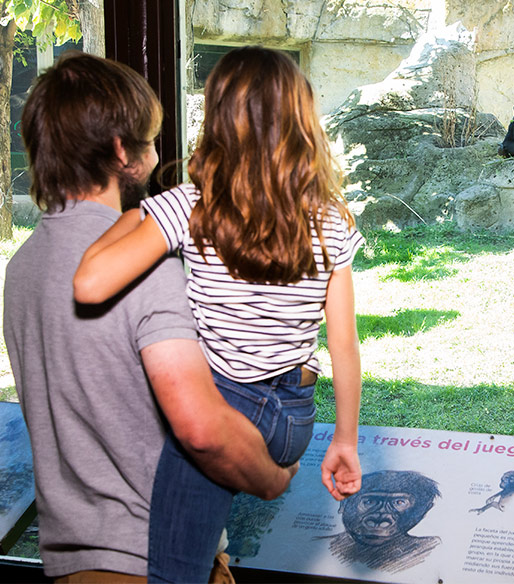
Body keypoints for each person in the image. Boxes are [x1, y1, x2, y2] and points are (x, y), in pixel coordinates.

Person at [3, 51, 297, 582]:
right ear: (121, 151)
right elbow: (201, 428)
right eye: (149, 138)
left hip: (69, 562)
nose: (158, 153)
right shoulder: (148, 269)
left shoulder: (22, 267)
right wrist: (272, 478)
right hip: (154, 558)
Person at [73, 46, 363, 582]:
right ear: (302, 122)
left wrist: (139, 212)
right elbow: (343, 344)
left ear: (218, 121)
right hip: (293, 420)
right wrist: (344, 442)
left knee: (173, 574)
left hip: (224, 407)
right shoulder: (331, 220)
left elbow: (89, 285)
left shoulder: (188, 206)